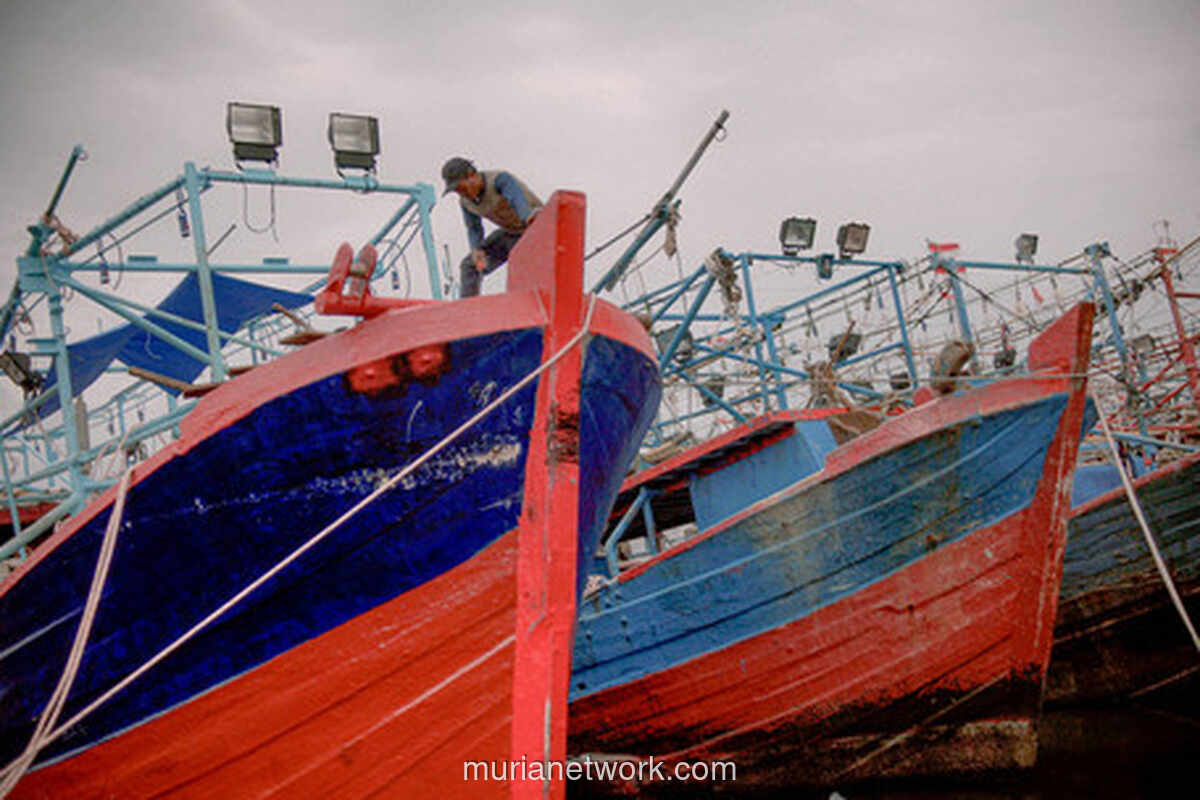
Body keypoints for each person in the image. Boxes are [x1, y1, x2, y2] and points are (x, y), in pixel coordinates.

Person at [441, 157, 543, 298]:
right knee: (469, 266)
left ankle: (526, 300)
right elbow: (474, 228)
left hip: (536, 231)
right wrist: (476, 250)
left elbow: (517, 200)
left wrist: (527, 217)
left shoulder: (499, 180)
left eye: (462, 188)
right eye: (457, 191)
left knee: (520, 262)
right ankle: (468, 310)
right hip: (511, 234)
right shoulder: (466, 202)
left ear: (472, 175)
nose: (462, 193)